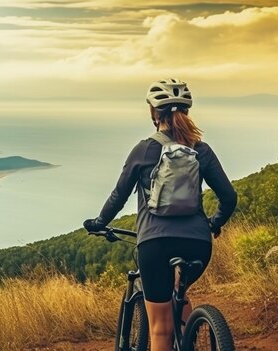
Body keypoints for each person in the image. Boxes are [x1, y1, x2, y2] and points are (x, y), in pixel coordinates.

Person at [83, 78, 237, 351]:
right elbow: (229, 197)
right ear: (186, 112)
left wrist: (99, 223)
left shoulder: (144, 149)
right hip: (198, 245)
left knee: (160, 331)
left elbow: (118, 197)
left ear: (154, 113)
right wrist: (214, 223)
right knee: (179, 294)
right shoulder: (201, 150)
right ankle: (191, 335)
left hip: (155, 244)